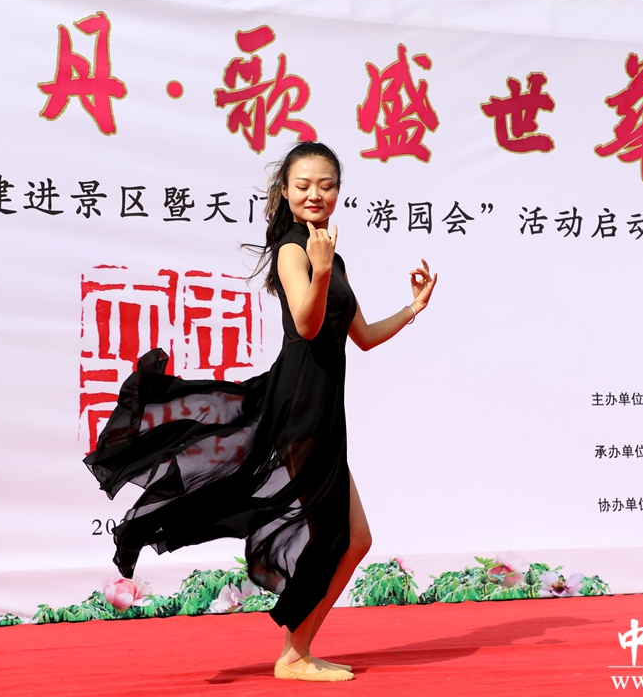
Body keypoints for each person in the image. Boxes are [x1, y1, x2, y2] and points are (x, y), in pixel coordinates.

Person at [84, 141, 436, 682]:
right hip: (299, 404)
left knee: (354, 537)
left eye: (326, 185)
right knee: (336, 535)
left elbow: (362, 336)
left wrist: (413, 307)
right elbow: (308, 325)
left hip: (323, 404)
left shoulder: (332, 257)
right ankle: (296, 655)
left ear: (339, 192)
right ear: (286, 193)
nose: (315, 194)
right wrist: (320, 270)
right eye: (304, 185)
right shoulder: (295, 251)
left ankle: (298, 651)